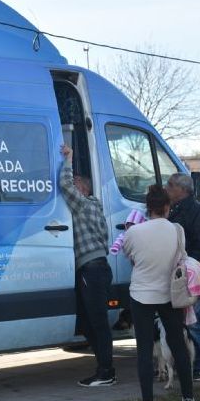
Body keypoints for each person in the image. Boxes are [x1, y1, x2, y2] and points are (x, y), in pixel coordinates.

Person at [123, 184, 196, 401]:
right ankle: (188, 399)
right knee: (178, 345)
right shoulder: (177, 230)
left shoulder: (133, 232)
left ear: (147, 207)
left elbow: (131, 257)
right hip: (170, 294)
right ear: (167, 206)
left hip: (141, 294)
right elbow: (182, 257)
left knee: (144, 349)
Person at [59, 144, 114, 387]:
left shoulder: (82, 204)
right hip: (97, 268)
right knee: (88, 320)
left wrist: (68, 158)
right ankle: (105, 367)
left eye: (77, 183)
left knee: (96, 322)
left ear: (82, 188)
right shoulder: (95, 206)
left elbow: (64, 184)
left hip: (91, 269)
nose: (73, 187)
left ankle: (107, 372)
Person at [165, 173, 200, 383]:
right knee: (179, 324)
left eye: (170, 185)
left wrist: (187, 270)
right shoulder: (170, 211)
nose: (166, 189)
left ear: (181, 189)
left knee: (195, 323)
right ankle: (183, 364)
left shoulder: (198, 212)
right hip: (172, 274)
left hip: (188, 276)